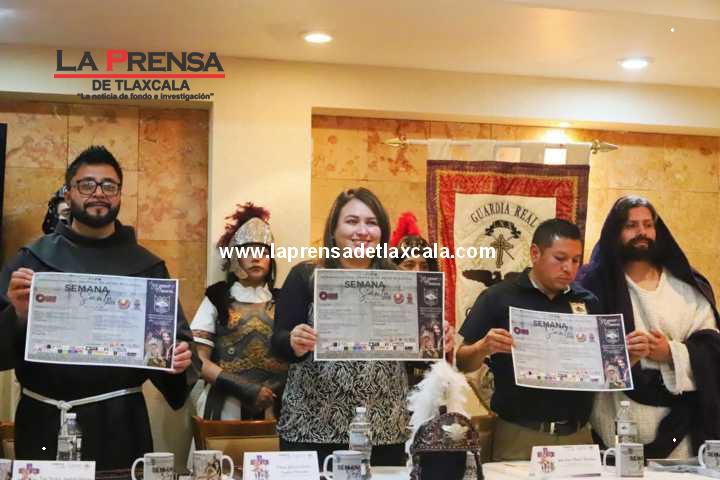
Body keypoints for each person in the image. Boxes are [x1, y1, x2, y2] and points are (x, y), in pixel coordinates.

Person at [0, 145, 195, 469]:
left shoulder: (146, 269)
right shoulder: (32, 261)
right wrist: (18, 315)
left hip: (121, 425)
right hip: (45, 421)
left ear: (119, 194)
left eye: (109, 185)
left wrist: (176, 361)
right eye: (87, 185)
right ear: (68, 193)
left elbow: (176, 353)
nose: (99, 193)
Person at [456, 219, 647, 461]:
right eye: (560, 258)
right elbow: (462, 362)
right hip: (520, 434)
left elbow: (603, 375)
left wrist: (629, 358)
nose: (569, 268)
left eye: (576, 260)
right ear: (535, 253)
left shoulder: (588, 302)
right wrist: (482, 347)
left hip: (578, 435)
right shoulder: (498, 297)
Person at [271, 187, 409, 466]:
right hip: (311, 425)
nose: (363, 231)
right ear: (333, 230)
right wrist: (293, 342)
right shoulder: (306, 275)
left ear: (382, 232)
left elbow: (415, 351)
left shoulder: (399, 279)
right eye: (352, 221)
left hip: (383, 428)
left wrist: (435, 339)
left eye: (372, 223)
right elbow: (277, 342)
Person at [578, 195, 720, 458]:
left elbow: (712, 349)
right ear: (616, 231)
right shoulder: (592, 286)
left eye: (647, 224)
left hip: (681, 432)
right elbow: (577, 356)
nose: (641, 232)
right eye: (631, 225)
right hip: (614, 426)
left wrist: (670, 353)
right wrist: (623, 358)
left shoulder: (686, 287)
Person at [191, 203, 287, 420]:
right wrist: (243, 388)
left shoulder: (284, 301)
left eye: (263, 251)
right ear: (235, 257)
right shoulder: (217, 298)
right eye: (248, 251)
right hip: (226, 405)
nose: (256, 257)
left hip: (275, 408)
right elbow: (198, 359)